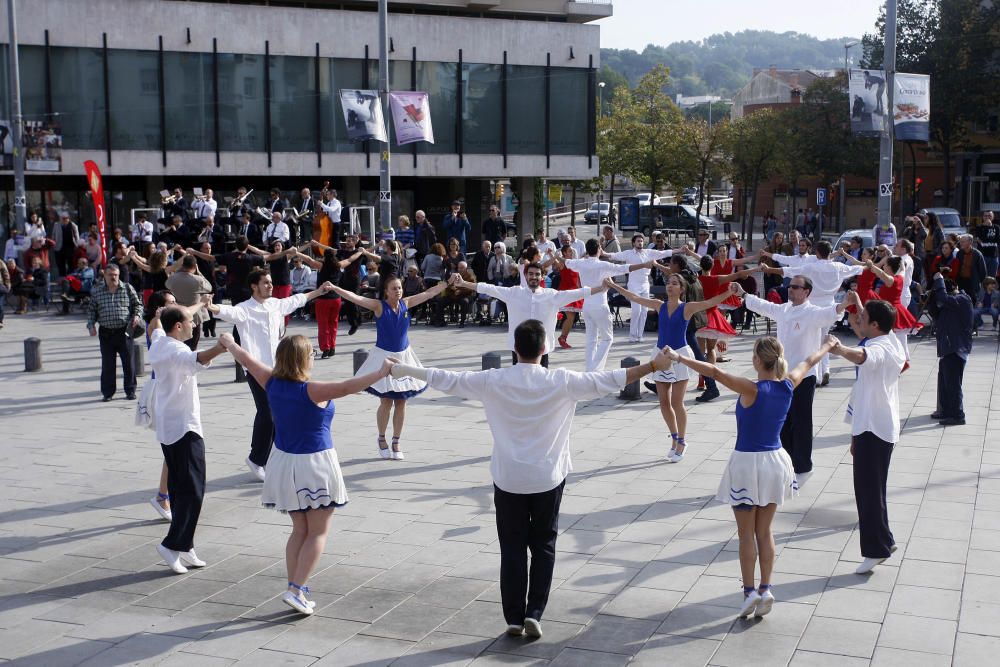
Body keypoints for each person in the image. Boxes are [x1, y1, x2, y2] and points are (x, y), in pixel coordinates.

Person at [390, 319, 674, 638]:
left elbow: (446, 378)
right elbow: (611, 378)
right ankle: (534, 611)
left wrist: (404, 370)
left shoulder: (493, 380)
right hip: (547, 478)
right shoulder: (561, 381)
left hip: (509, 478)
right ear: (545, 348)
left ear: (514, 349)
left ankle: (513, 616)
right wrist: (653, 365)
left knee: (511, 547)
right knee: (543, 545)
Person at [661, 335, 835, 617]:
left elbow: (715, 371)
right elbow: (809, 361)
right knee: (765, 532)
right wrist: (829, 345)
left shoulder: (751, 388)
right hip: (776, 461)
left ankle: (749, 592)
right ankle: (766, 588)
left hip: (746, 463)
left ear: (757, 360)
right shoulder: (789, 383)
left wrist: (679, 358)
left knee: (745, 535)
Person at [220, 332, 394, 614]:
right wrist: (382, 371)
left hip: (284, 462)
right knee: (318, 532)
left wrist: (229, 343)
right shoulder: (312, 390)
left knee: (299, 529)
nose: (314, 355)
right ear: (302, 358)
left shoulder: (271, 382)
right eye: (311, 352)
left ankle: (296, 585)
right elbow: (350, 386)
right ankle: (296, 589)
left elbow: (246, 359)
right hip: (314, 463)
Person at [206, 269, 337, 481]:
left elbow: (298, 299)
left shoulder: (276, 304)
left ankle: (278, 457)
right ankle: (256, 459)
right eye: (265, 283)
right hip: (256, 369)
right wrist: (211, 307)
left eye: (270, 282)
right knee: (267, 412)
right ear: (254, 286)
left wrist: (320, 291)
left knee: (281, 413)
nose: (269, 285)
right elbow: (226, 312)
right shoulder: (244, 309)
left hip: (279, 369)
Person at [606, 275, 738, 462]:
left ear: (682, 289)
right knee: (664, 403)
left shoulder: (687, 307)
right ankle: (674, 437)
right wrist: (613, 285)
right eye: (668, 283)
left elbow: (709, 302)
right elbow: (634, 297)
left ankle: (682, 441)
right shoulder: (659, 305)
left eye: (674, 283)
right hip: (660, 354)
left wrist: (729, 292)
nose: (670, 286)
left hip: (680, 356)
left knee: (677, 403)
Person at [741, 276, 856, 485]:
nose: (790, 290)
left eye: (795, 287)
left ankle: (803, 465)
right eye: (789, 286)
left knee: (802, 421)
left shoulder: (812, 313)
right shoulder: (784, 309)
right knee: (783, 420)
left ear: (807, 292)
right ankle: (785, 459)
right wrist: (743, 294)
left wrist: (845, 304)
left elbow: (830, 312)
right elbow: (764, 306)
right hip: (781, 375)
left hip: (804, 376)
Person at [327, 275, 452, 460]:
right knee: (386, 401)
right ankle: (381, 438)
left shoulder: (406, 303)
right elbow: (356, 297)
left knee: (401, 401)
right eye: (394, 288)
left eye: (400, 288)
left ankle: (396, 440)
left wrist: (448, 283)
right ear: (386, 291)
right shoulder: (379, 306)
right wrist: (335, 288)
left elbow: (429, 293)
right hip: (383, 357)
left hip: (404, 357)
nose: (398, 291)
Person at [148, 304, 228, 574]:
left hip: (168, 425)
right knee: (193, 489)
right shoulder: (176, 350)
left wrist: (195, 306)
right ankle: (172, 545)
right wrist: (222, 346)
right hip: (184, 428)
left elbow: (157, 324)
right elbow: (199, 358)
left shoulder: (159, 341)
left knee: (182, 486)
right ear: (178, 326)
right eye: (191, 321)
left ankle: (186, 544)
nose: (195, 325)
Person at [828, 301, 905, 575]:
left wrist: (838, 349)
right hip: (876, 426)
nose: (859, 320)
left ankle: (875, 550)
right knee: (875, 490)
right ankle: (885, 540)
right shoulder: (891, 340)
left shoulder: (879, 348)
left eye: (865, 318)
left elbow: (861, 356)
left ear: (875, 325)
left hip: (873, 428)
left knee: (868, 493)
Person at [459, 263, 599, 368]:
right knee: (518, 383)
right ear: (525, 276)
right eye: (531, 274)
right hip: (518, 347)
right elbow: (488, 288)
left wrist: (600, 288)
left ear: (542, 276)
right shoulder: (514, 293)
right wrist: (464, 283)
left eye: (537, 274)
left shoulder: (551, 295)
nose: (534, 277)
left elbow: (576, 293)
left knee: (541, 383)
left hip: (542, 347)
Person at [763, 240, 864, 386]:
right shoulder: (838, 267)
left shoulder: (811, 267)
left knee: (816, 341)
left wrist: (769, 270)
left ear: (817, 253)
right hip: (830, 306)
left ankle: (817, 375)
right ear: (830, 252)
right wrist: (870, 265)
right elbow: (857, 269)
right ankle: (825, 370)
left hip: (813, 307)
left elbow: (790, 271)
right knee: (824, 339)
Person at [555, 239, 650, 370]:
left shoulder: (580, 263)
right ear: (599, 249)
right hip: (600, 305)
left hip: (587, 306)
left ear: (587, 250)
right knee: (607, 339)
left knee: (591, 340)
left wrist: (554, 255)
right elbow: (625, 268)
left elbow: (566, 261)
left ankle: (590, 369)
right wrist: (644, 264)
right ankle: (595, 368)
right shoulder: (603, 265)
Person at [600, 234, 673, 343]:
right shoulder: (628, 253)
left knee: (644, 311)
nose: (640, 243)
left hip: (645, 283)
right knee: (636, 310)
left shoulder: (648, 253)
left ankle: (639, 335)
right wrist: (603, 252)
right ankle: (632, 335)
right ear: (633, 243)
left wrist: (680, 250)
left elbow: (664, 253)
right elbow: (615, 255)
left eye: (642, 241)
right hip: (634, 284)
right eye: (638, 241)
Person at [87, 264, 143, 402]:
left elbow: (138, 305)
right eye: (110, 275)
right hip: (106, 332)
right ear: (104, 275)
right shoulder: (97, 291)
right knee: (108, 364)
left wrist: (137, 316)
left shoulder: (127, 288)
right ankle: (108, 393)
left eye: (116, 275)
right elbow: (92, 310)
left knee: (128, 363)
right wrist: (91, 325)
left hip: (124, 331)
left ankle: (130, 391)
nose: (113, 277)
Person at [929, 273, 973, 426]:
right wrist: (931, 300)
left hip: (956, 348)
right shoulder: (950, 304)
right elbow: (936, 314)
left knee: (953, 384)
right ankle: (947, 410)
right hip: (948, 348)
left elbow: (943, 298)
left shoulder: (962, 299)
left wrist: (939, 281)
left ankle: (958, 415)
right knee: (945, 382)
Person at [165, 254, 214, 350]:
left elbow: (167, 285)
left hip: (177, 314)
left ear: (183, 265)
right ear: (195, 266)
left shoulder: (173, 278)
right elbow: (209, 287)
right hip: (194, 315)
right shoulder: (197, 280)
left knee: (179, 343)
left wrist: (179, 271)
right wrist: (199, 273)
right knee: (193, 343)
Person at [955, 233, 988, 299]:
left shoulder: (977, 254)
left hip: (972, 282)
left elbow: (982, 271)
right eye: (960, 241)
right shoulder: (959, 253)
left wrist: (983, 285)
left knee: (973, 301)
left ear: (970, 242)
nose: (961, 243)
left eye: (963, 242)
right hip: (961, 282)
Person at [52, 212, 81, 277]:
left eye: (66, 218)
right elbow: (53, 235)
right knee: (60, 264)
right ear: (60, 219)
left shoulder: (73, 225)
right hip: (59, 248)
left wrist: (77, 245)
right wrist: (53, 243)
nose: (64, 220)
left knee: (71, 264)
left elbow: (77, 237)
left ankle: (70, 278)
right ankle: (62, 278)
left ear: (69, 218)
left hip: (70, 248)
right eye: (63, 218)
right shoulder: (56, 225)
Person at [976, 210, 1000, 280]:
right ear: (983, 217)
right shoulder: (979, 227)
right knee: (982, 276)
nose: (987, 217)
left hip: (994, 256)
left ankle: (990, 290)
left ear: (993, 217)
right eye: (985, 216)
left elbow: (997, 240)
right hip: (983, 255)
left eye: (989, 216)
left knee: (992, 277)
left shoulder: (997, 227)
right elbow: (980, 239)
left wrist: (990, 227)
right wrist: (987, 227)